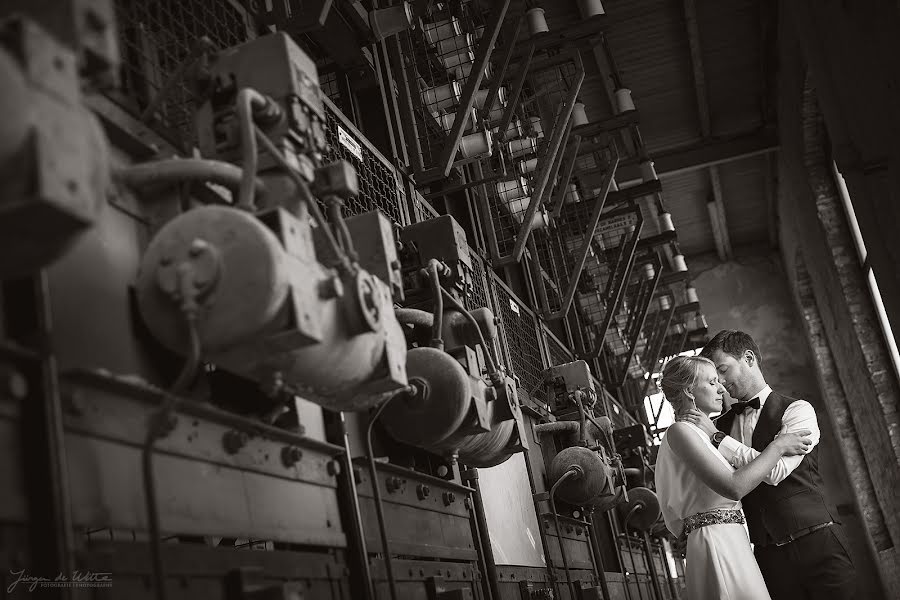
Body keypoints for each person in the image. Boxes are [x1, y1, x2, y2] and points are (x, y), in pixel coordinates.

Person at [679, 329, 857, 599]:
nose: (722, 383)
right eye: (715, 378)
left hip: (819, 544)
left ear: (748, 358)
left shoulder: (798, 411)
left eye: (724, 370)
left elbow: (775, 472)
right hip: (767, 557)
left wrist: (718, 438)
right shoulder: (717, 427)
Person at [654, 355, 812, 600]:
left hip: (732, 539)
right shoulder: (680, 432)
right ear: (689, 391)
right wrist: (778, 446)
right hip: (716, 543)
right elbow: (734, 487)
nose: (721, 388)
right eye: (712, 382)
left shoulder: (702, 434)